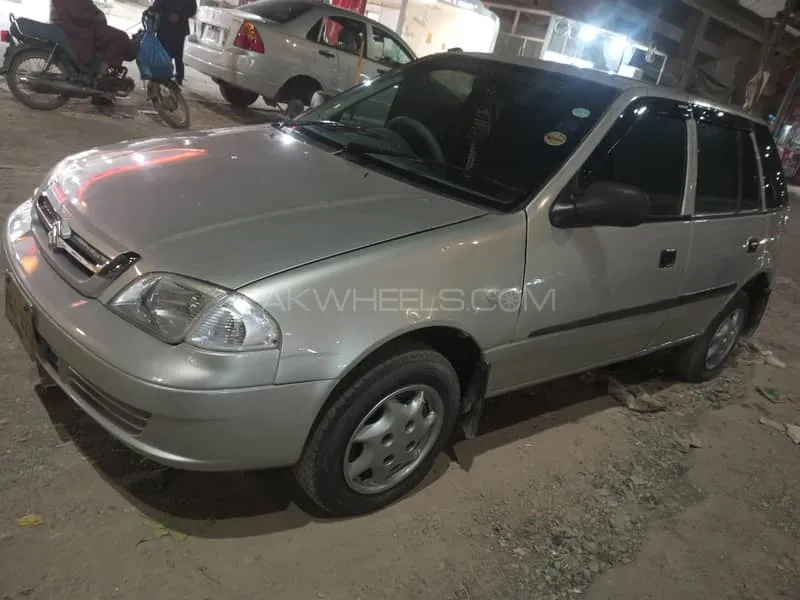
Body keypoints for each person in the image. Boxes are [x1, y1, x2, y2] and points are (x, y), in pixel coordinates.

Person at [50, 0, 131, 80]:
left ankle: (99, 65)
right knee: (122, 37)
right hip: (75, 25)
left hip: (66, 20)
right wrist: (97, 17)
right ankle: (103, 69)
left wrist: (96, 13)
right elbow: (78, 13)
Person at [150, 0, 197, 86]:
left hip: (179, 29)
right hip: (164, 27)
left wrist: (180, 15)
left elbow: (192, 9)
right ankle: (161, 75)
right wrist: (152, 10)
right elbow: (157, 5)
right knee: (163, 52)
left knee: (178, 54)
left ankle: (179, 77)